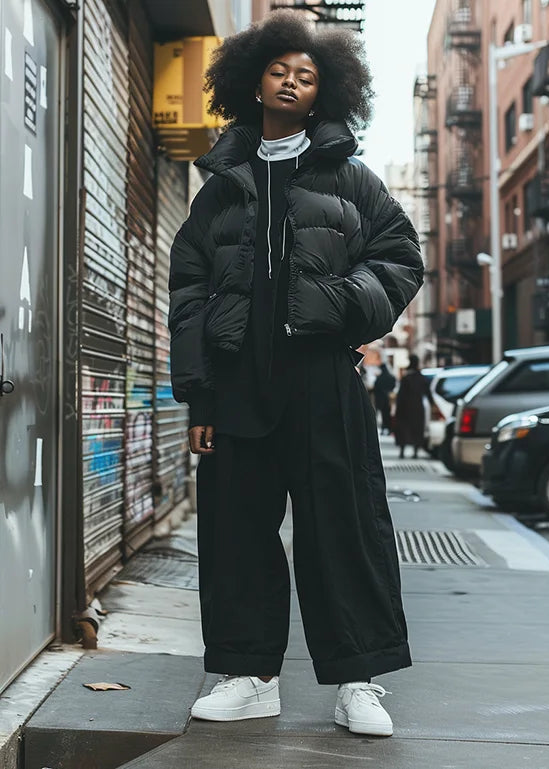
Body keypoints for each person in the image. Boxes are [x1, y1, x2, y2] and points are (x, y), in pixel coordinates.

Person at [166, 11, 423, 738]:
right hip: (238, 381)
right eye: (280, 69)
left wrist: (339, 302)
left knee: (343, 527)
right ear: (254, 81)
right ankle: (249, 674)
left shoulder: (350, 178)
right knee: (236, 529)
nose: (291, 81)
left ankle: (359, 680)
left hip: (322, 380)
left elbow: (402, 259)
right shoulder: (221, 185)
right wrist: (199, 396)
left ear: (324, 93)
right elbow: (188, 289)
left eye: (306, 75)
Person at [393, 355, 430, 459]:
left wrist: (397, 408)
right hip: (417, 407)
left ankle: (402, 450)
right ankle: (415, 451)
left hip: (405, 407)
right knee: (417, 429)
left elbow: (400, 395)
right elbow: (428, 394)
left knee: (403, 429)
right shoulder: (422, 378)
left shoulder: (406, 378)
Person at [372, 362, 397, 435]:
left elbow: (375, 388)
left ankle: (383, 428)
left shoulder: (379, 378)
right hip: (389, 399)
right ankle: (389, 429)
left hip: (381, 399)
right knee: (388, 414)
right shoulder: (391, 377)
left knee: (383, 414)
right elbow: (393, 385)